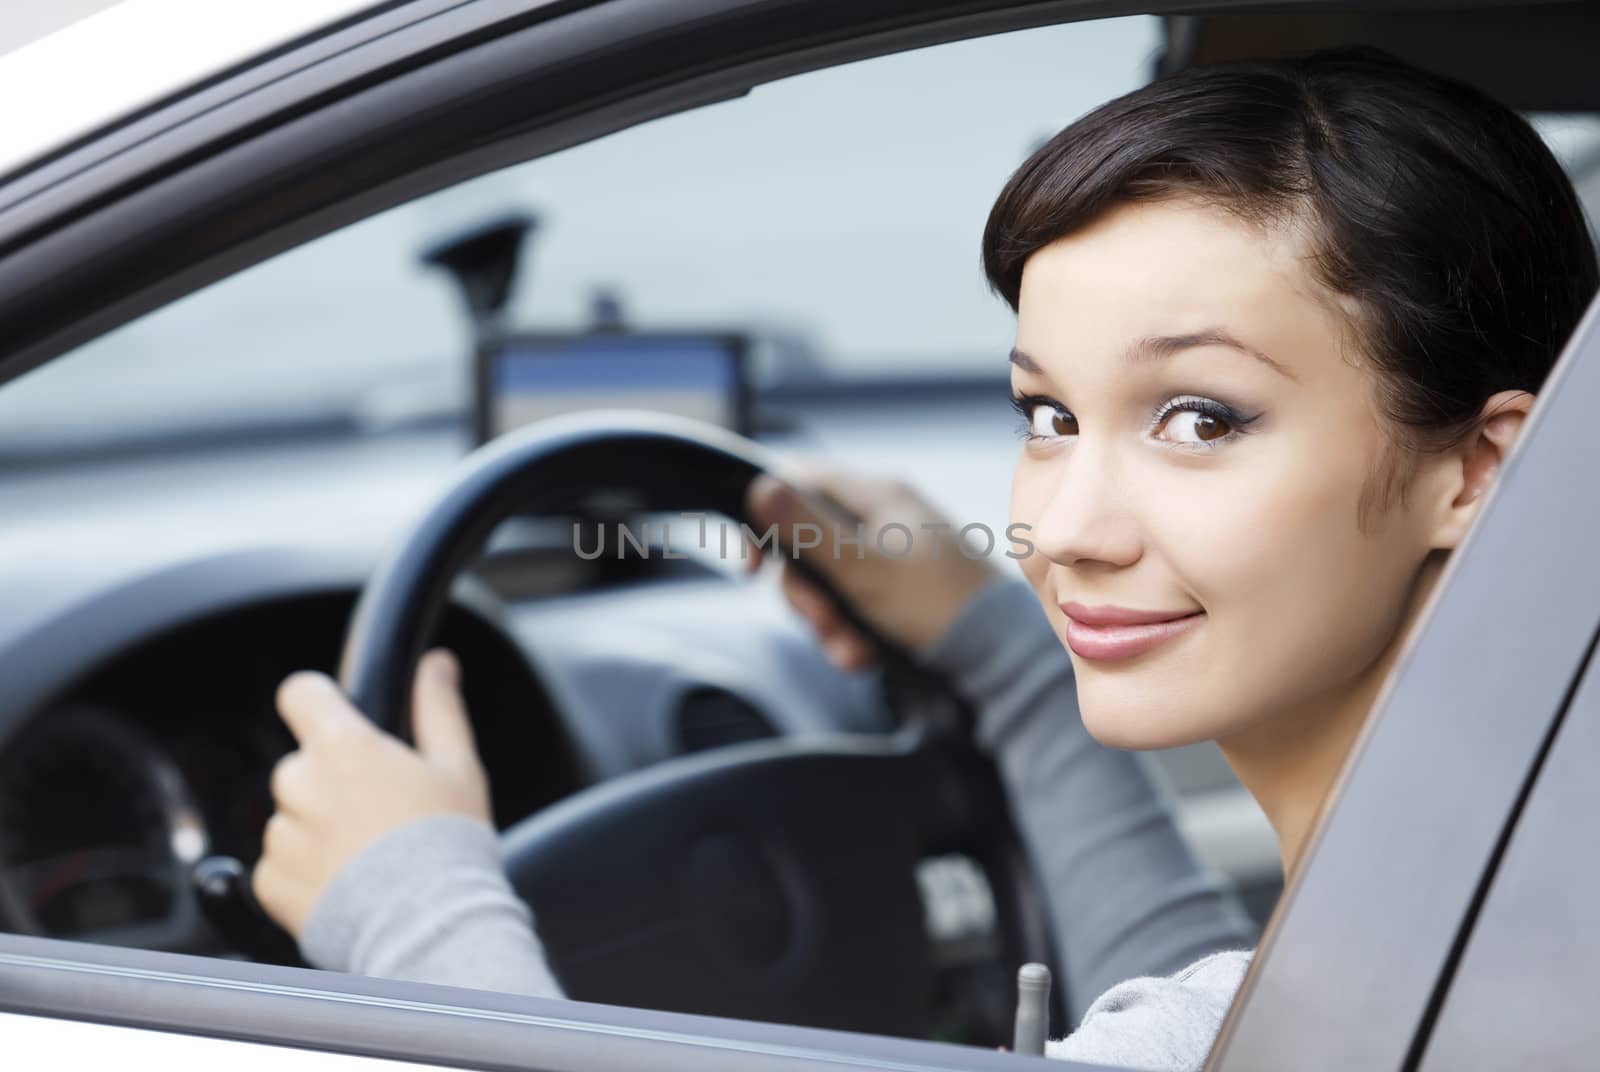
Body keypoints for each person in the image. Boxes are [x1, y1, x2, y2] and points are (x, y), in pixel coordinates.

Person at [251, 44, 1599, 1071]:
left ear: (1476, 470)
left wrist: (409, 907)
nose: (1064, 527)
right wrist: (1002, 659)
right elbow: (1228, 1009)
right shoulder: (1483, 917)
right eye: (1049, 416)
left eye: (1200, 419)